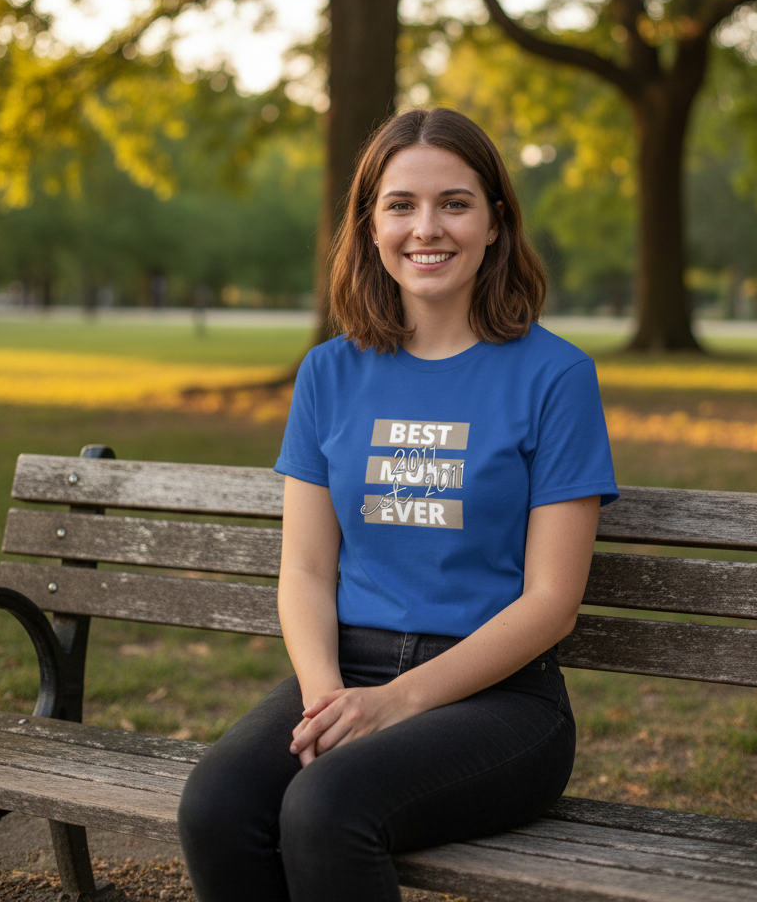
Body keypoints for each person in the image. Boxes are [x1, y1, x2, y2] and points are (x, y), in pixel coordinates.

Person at [178, 107, 618, 902]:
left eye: (455, 203)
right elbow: (306, 570)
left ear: (495, 223)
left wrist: (395, 704)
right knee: (218, 808)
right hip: (348, 669)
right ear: (370, 225)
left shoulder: (555, 377)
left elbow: (552, 603)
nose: (427, 228)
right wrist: (326, 698)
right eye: (401, 205)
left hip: (499, 699)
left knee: (325, 809)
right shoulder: (329, 373)